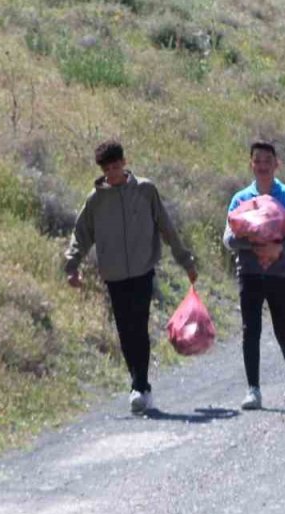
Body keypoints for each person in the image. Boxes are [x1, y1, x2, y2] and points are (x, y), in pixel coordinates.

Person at [65, 140, 198, 415]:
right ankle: (139, 385)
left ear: (124, 162)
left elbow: (166, 226)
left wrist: (185, 259)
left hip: (142, 270)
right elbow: (81, 235)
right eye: (108, 168)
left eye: (117, 165)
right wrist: (72, 265)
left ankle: (140, 385)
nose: (113, 172)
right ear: (102, 170)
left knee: (139, 324)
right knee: (125, 331)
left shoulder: (145, 190)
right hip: (113, 274)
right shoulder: (96, 200)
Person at [222, 140, 285, 411]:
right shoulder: (240, 199)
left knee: (284, 330)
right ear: (251, 164)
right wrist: (257, 245)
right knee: (251, 331)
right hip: (249, 273)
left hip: (280, 275)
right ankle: (253, 389)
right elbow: (228, 239)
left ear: (276, 164)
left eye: (267, 161)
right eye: (257, 160)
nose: (262, 165)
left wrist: (279, 249)